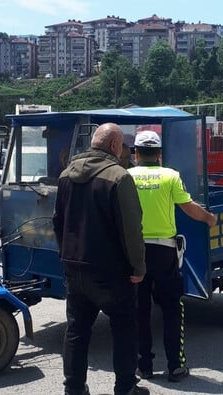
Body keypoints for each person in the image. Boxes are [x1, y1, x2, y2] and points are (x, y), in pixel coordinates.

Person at [53, 123, 149, 395]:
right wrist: (138, 266)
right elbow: (131, 229)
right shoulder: (119, 177)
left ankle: (73, 389)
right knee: (124, 328)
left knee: (77, 331)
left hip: (75, 266)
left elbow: (58, 222)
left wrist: (66, 256)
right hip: (111, 271)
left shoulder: (65, 175)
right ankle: (126, 387)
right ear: (115, 146)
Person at [128, 130, 218, 383]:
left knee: (139, 310)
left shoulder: (126, 176)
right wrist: (209, 218)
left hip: (135, 252)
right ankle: (176, 366)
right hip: (164, 252)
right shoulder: (170, 176)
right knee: (171, 309)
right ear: (159, 154)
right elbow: (188, 207)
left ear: (135, 153)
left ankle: (143, 366)